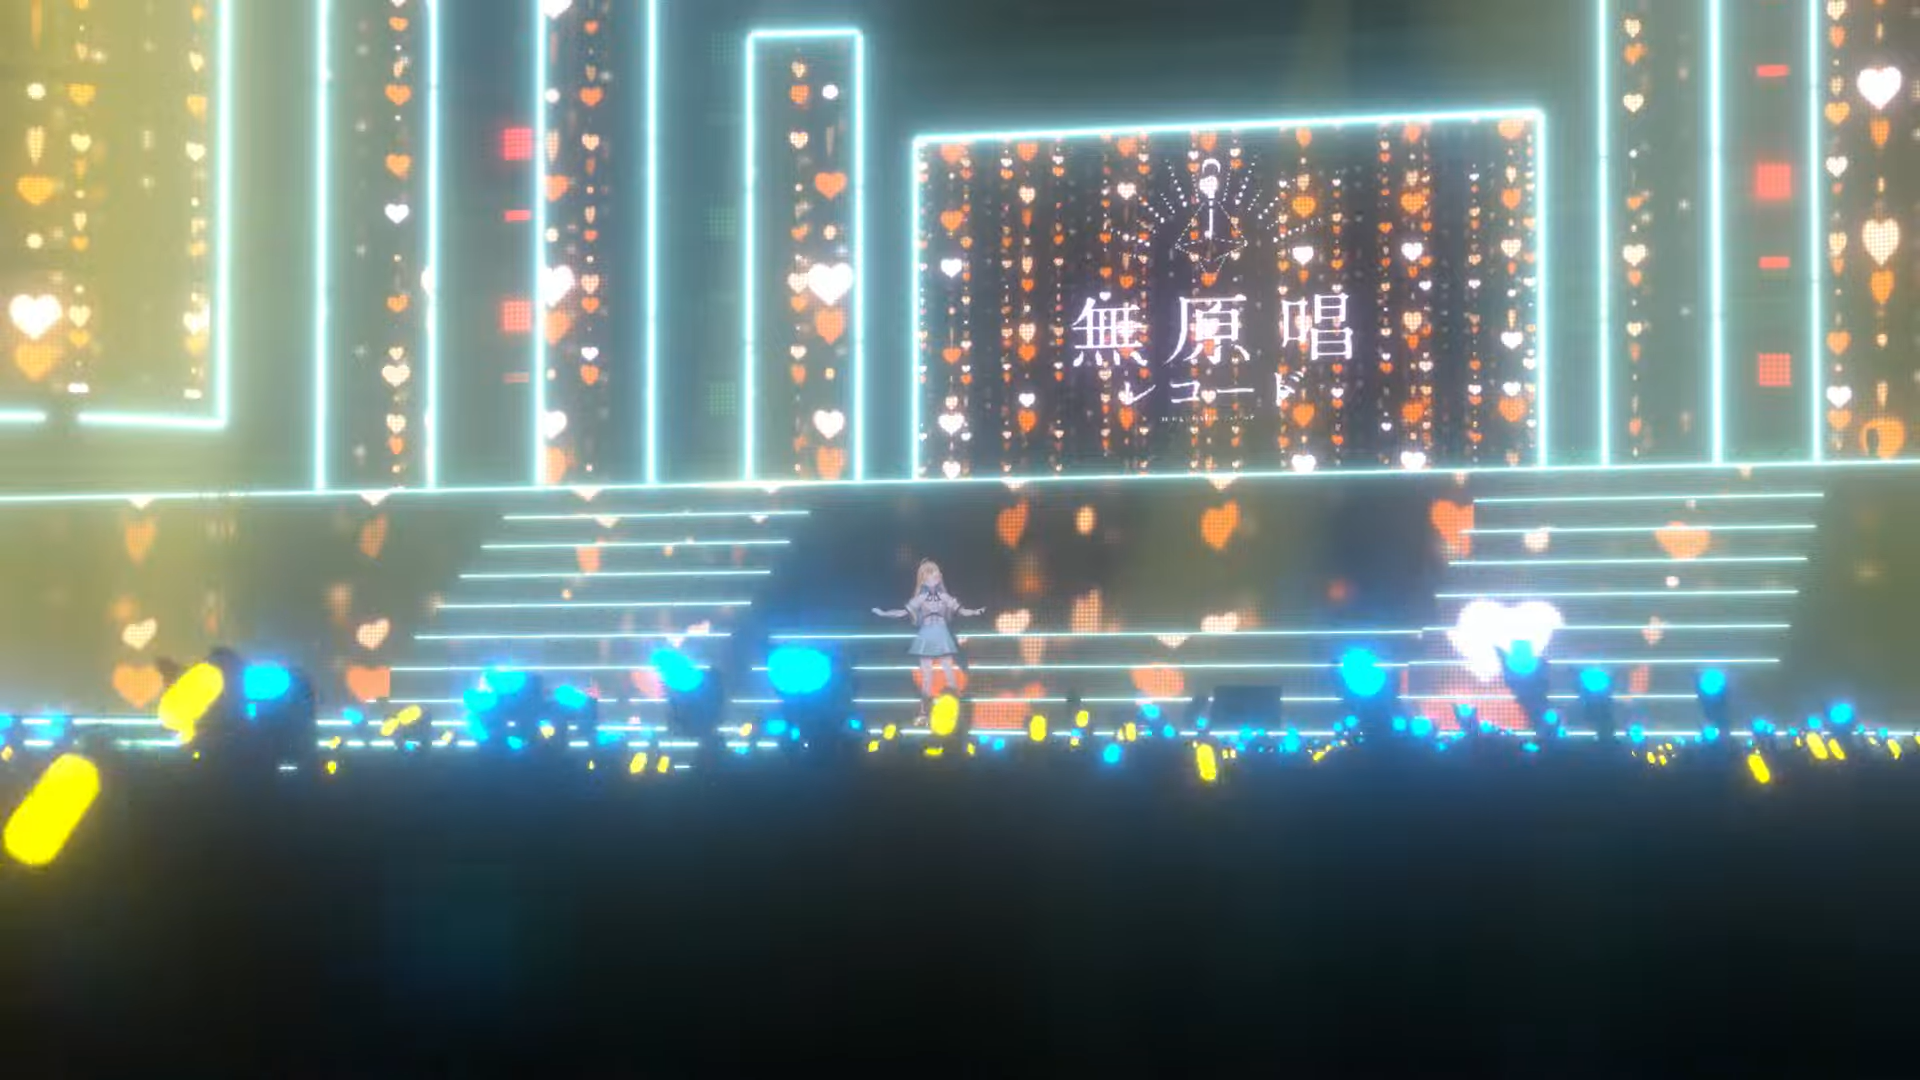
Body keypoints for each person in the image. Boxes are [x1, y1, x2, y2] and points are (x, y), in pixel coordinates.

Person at [873, 560, 984, 719]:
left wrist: (974, 612)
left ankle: (953, 712)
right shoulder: (921, 599)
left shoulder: (944, 598)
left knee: (949, 674)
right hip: (928, 639)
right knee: (927, 677)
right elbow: (904, 612)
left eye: (934, 575)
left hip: (943, 639)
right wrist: (884, 613)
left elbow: (960, 610)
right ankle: (924, 713)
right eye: (927, 576)